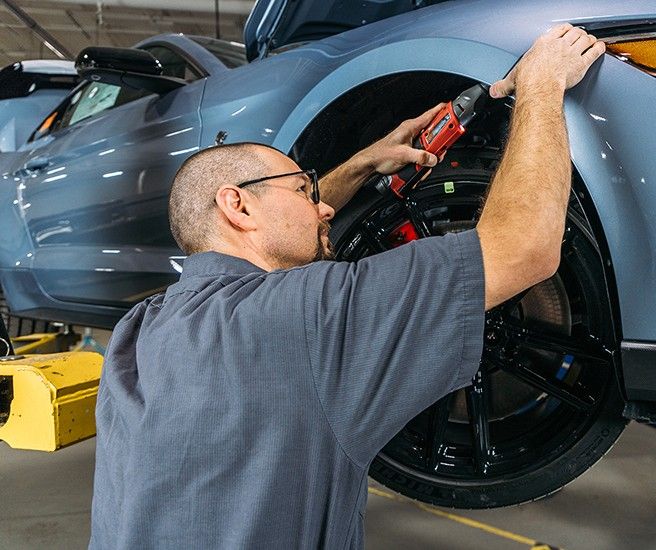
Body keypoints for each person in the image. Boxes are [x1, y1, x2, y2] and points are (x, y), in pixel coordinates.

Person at [90, 24, 605, 549]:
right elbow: (526, 248)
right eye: (303, 190)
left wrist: (360, 164)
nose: (327, 207)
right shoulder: (311, 315)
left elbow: (277, 245)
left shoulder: (138, 332)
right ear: (236, 204)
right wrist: (543, 84)